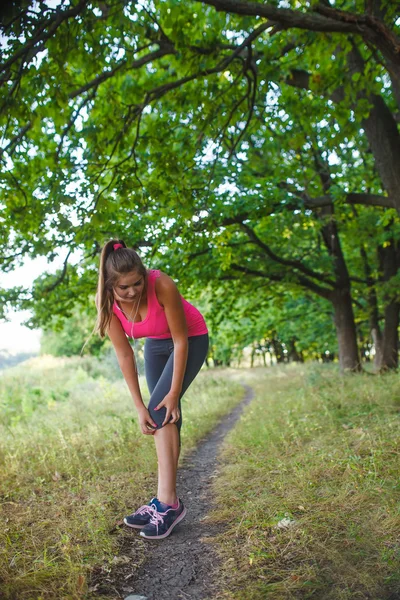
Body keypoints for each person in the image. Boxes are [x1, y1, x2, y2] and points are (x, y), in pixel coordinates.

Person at [94, 239, 209, 540]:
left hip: (191, 339)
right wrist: (138, 406)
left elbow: (182, 340)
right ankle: (163, 500)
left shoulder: (161, 284)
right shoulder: (107, 307)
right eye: (124, 288)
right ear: (110, 287)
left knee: (163, 410)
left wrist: (174, 393)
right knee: (161, 416)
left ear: (145, 276)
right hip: (156, 346)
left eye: (137, 283)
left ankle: (169, 503)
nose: (132, 291)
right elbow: (124, 355)